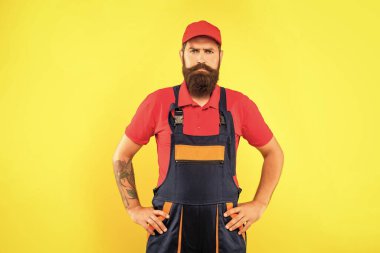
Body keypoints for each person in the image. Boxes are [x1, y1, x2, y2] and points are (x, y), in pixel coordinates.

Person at [112, 20, 284, 253]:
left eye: (208, 51)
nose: (201, 59)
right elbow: (121, 156)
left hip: (225, 231)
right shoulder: (158, 103)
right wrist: (133, 209)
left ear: (220, 57)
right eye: (194, 51)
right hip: (168, 231)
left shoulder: (239, 105)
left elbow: (274, 153)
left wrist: (260, 204)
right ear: (182, 55)